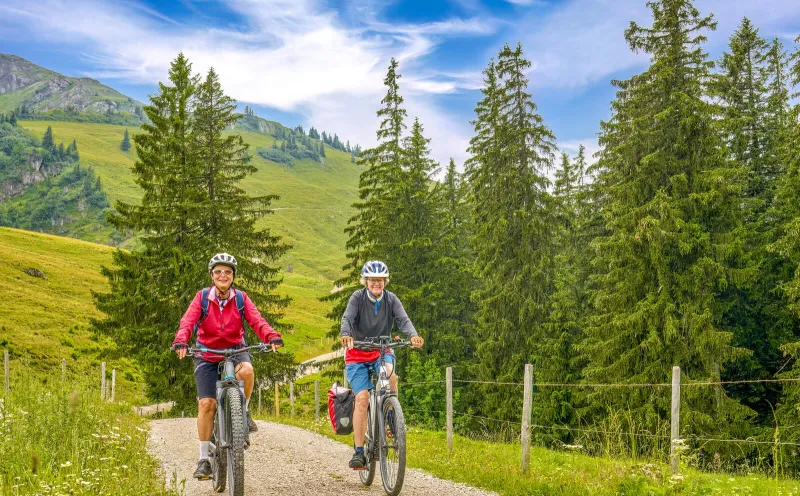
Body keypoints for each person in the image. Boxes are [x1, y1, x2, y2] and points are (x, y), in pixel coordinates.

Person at [172, 253, 283, 480]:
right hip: (207, 353)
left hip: (235, 350)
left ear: (233, 276)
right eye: (218, 272)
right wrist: (181, 340)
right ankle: (204, 459)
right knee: (206, 404)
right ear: (212, 275)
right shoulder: (202, 297)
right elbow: (188, 321)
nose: (223, 275)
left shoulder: (241, 298)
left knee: (248, 371)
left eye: (228, 272)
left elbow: (256, 320)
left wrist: (271, 336)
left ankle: (243, 412)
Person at [339, 260, 424, 469]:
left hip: (381, 351)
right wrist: (346, 335)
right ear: (366, 281)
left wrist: (412, 335)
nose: (376, 283)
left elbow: (403, 320)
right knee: (362, 398)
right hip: (357, 354)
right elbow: (347, 318)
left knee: (391, 376)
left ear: (385, 281)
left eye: (380, 280)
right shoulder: (357, 298)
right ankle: (359, 452)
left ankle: (391, 415)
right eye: (372, 280)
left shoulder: (391, 299)